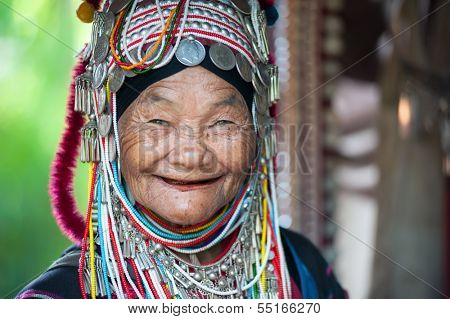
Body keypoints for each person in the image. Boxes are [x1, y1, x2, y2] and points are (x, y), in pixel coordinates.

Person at [16, 0, 347, 299]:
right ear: (109, 134)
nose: (190, 155)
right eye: (158, 122)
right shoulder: (64, 297)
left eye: (223, 123)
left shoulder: (300, 270)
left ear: (258, 133)